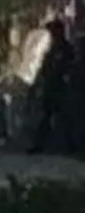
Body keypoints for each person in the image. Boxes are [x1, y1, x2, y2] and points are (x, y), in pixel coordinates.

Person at [30, 16, 75, 154]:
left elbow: (68, 68)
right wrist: (38, 84)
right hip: (50, 87)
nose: (52, 34)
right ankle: (41, 145)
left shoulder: (66, 49)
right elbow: (44, 69)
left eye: (53, 30)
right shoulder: (51, 49)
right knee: (46, 116)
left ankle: (67, 146)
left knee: (63, 118)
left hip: (61, 88)